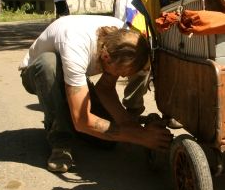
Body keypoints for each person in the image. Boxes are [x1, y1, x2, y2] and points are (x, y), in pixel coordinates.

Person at [19, 15, 173, 173]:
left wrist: (131, 127)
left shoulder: (124, 39)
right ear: (106, 57)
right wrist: (139, 136)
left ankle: (67, 114)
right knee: (48, 64)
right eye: (122, 72)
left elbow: (105, 89)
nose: (124, 77)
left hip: (72, 75)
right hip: (36, 74)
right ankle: (60, 140)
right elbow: (82, 120)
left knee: (108, 141)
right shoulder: (75, 46)